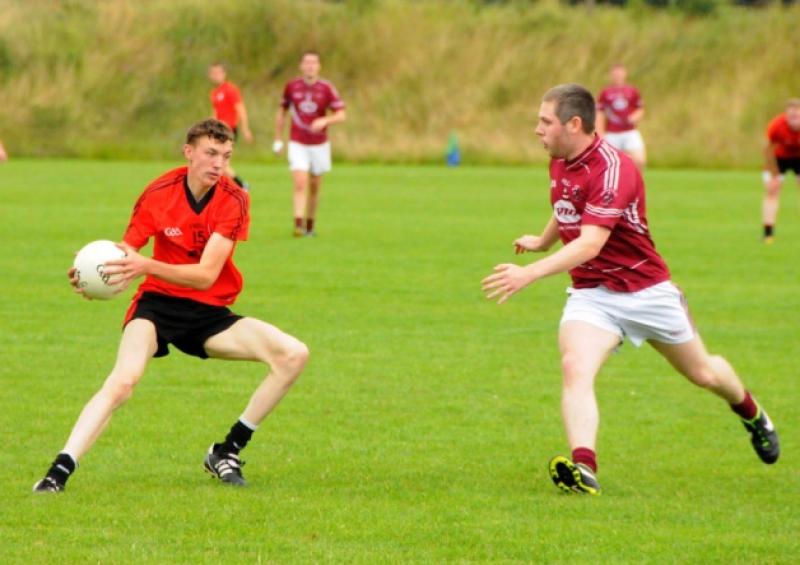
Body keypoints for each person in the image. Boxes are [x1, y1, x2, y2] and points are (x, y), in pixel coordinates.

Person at [481, 84, 779, 495]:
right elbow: (567, 202)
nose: (537, 129)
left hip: (646, 291)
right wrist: (544, 240)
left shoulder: (614, 169)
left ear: (574, 124)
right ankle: (584, 467)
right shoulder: (560, 158)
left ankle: (751, 412)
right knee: (574, 367)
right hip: (592, 293)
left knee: (703, 372)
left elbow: (590, 242)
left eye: (544, 121)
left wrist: (529, 272)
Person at [33, 119, 309, 493]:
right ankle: (57, 473)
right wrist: (95, 275)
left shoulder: (234, 199)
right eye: (210, 154)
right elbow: (128, 248)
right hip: (157, 307)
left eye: (226, 156)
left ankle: (227, 451)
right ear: (188, 152)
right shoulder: (159, 192)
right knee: (123, 382)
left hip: (209, 313)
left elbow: (206, 275)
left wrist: (146, 265)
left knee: (293, 354)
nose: (218, 164)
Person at [273, 51, 346, 237]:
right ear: (301, 65)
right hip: (298, 142)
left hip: (319, 144)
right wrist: (278, 138)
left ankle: (310, 225)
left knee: (315, 186)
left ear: (319, 66)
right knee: (300, 181)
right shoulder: (292, 87)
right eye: (307, 62)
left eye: (313, 62)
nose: (310, 66)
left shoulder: (326, 88)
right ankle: (297, 225)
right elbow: (282, 112)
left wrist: (325, 121)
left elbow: (341, 114)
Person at [761, 99, 800, 243]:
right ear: (786, 115)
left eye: (797, 116)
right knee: (772, 191)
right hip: (778, 158)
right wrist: (774, 174)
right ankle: (768, 234)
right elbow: (767, 149)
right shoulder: (777, 125)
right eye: (791, 116)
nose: (794, 120)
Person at [209, 62, 253, 189]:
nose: (215, 76)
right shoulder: (215, 92)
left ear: (224, 74)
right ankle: (229, 188)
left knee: (220, 163)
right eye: (213, 73)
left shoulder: (230, 90)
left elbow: (240, 109)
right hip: (218, 131)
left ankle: (241, 186)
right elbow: (216, 113)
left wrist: (245, 129)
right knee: (218, 162)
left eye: (218, 73)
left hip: (228, 131)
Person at [595, 64, 646, 171]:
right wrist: (600, 133)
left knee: (639, 160)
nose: (617, 76)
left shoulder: (632, 91)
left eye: (620, 73)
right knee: (611, 163)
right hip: (612, 133)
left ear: (625, 74)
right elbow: (600, 113)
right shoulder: (605, 93)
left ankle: (636, 184)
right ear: (611, 75)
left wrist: (635, 117)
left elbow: (640, 108)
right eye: (615, 74)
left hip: (629, 131)